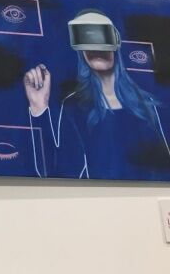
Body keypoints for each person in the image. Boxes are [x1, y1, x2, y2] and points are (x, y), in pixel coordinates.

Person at [24, 9, 170, 180]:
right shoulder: (75, 106)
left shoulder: (147, 104)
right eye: (87, 39)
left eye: (100, 37)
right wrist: (39, 108)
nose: (95, 47)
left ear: (115, 41)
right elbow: (56, 171)